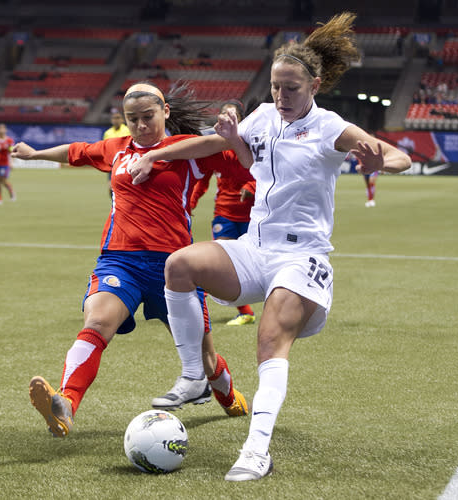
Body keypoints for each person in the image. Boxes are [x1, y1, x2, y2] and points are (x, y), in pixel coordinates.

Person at [128, 13, 411, 481]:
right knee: (179, 265)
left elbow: (391, 152)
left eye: (291, 88)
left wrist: (386, 162)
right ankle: (195, 376)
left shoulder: (329, 126)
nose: (281, 96)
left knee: (268, 337)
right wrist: (159, 153)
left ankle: (257, 450)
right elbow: (214, 145)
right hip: (254, 248)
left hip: (303, 257)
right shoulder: (263, 115)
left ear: (314, 85)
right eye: (276, 87)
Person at [11, 81, 253, 438]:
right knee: (97, 323)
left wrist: (237, 139)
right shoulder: (116, 149)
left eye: (148, 117)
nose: (140, 126)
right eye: (132, 119)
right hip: (119, 261)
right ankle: (65, 404)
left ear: (165, 112)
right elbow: (77, 151)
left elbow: (242, 157)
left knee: (205, 358)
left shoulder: (189, 151)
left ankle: (226, 394)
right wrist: (35, 155)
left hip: (175, 270)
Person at [190, 99, 257, 326]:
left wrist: (251, 188)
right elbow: (201, 182)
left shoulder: (249, 147)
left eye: (232, 116)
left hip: (252, 216)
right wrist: (189, 205)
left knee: (253, 264)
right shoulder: (215, 150)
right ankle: (244, 312)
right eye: (223, 115)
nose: (227, 119)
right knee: (222, 260)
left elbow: (265, 175)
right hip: (224, 214)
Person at [103, 108, 131, 197]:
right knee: (111, 187)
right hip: (112, 163)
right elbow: (105, 148)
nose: (116, 120)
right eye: (114, 118)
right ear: (111, 120)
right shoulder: (108, 133)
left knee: (125, 186)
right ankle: (115, 205)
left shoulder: (127, 130)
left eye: (118, 118)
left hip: (126, 162)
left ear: (122, 119)